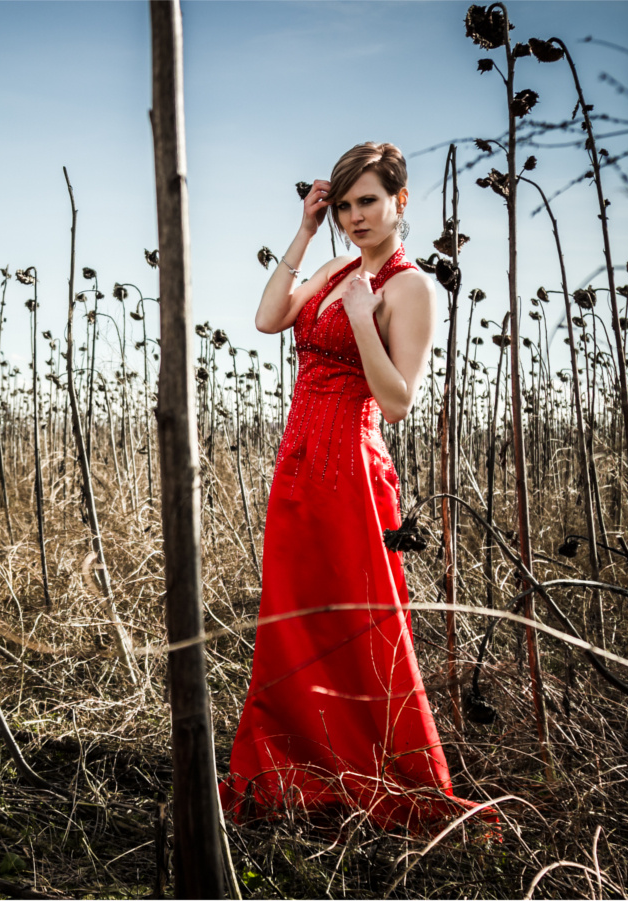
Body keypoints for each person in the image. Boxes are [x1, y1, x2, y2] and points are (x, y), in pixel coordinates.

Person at [221, 141, 493, 833]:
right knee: (292, 619)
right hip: (297, 466)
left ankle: (377, 770)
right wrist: (307, 230)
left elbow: (398, 399)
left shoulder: (410, 286)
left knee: (359, 623)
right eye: (343, 206)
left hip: (352, 469)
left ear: (401, 201)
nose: (355, 217)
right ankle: (294, 761)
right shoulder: (336, 259)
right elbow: (268, 317)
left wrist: (363, 312)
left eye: (366, 201)